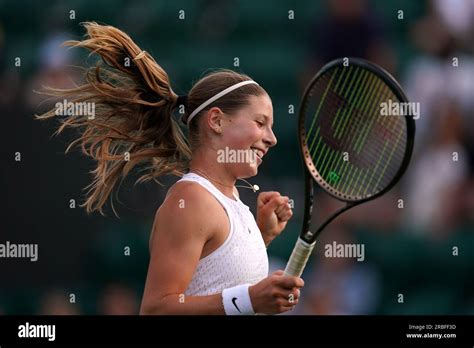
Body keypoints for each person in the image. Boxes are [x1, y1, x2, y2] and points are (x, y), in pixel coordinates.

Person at [37, 22, 304, 315]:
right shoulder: (191, 200)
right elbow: (156, 309)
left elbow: (216, 281)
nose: (272, 138)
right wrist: (250, 300)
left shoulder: (231, 202)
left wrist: (260, 235)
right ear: (216, 121)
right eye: (260, 122)